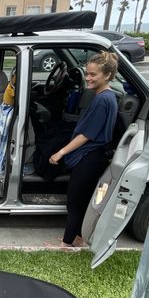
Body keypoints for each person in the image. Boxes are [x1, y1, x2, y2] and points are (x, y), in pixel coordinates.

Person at [49, 52, 119, 248]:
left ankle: (66, 244)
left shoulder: (101, 100)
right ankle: (78, 238)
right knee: (81, 200)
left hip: (89, 157)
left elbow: (86, 135)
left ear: (107, 75)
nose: (88, 78)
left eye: (93, 75)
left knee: (75, 203)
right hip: (94, 158)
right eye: (87, 74)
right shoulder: (108, 97)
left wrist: (61, 152)